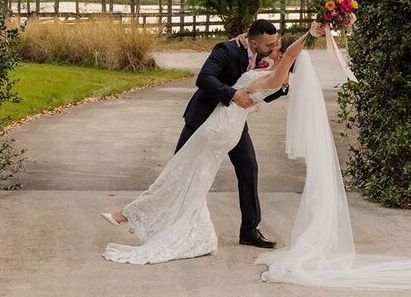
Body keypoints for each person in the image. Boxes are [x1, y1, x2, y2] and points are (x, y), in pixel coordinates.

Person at [101, 24, 318, 265]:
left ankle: (133, 216)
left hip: (223, 126)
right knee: (186, 175)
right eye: (269, 44)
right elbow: (205, 78)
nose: (271, 48)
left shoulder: (278, 70)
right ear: (254, 43)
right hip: (210, 118)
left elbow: (282, 66)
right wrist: (234, 93)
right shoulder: (233, 51)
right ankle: (163, 223)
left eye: (275, 45)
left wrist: (312, 34)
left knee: (190, 174)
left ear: (283, 53)